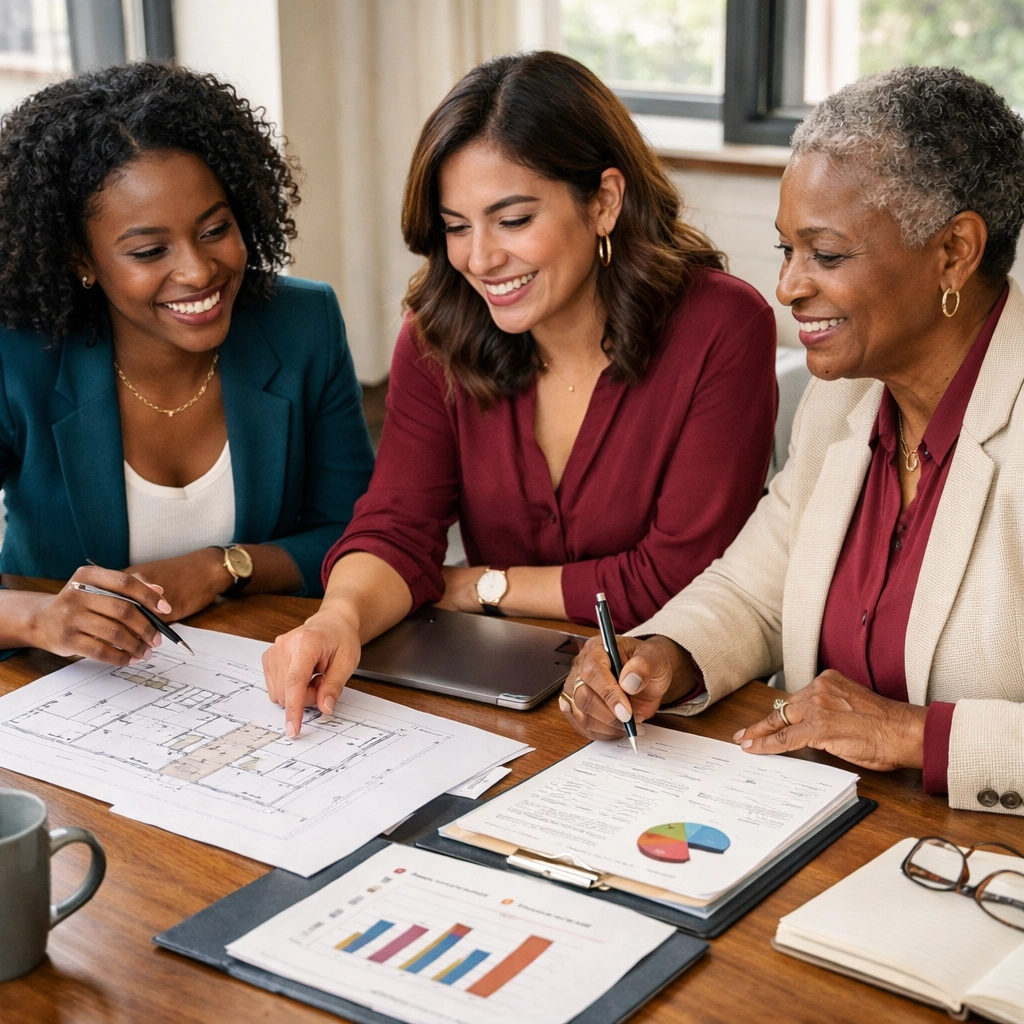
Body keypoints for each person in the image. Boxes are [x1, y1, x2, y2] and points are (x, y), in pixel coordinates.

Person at [263, 51, 777, 736]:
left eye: (511, 220)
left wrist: (478, 586)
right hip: (501, 705)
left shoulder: (722, 326)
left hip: (670, 711)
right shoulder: (435, 333)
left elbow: (681, 576)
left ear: (603, 202)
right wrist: (340, 619)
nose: (479, 258)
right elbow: (397, 526)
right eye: (455, 226)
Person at [561, 65, 1024, 817]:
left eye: (827, 256)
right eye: (786, 250)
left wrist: (911, 735)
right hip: (822, 829)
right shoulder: (840, 400)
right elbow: (756, 590)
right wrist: (660, 659)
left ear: (954, 252)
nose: (788, 288)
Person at [0, 62, 374, 664]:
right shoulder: (19, 356)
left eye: (215, 229)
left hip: (250, 679)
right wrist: (38, 618)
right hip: (54, 691)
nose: (199, 271)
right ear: (80, 260)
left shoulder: (303, 325)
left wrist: (226, 565)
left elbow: (357, 538)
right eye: (150, 250)